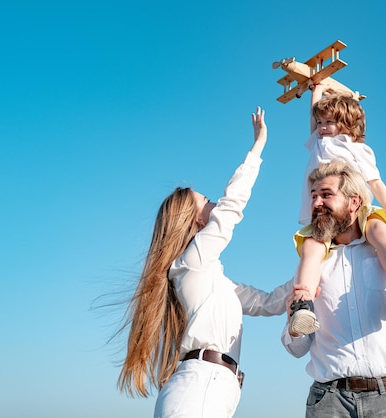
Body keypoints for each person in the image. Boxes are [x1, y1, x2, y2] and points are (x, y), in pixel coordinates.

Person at [117, 107, 291, 418]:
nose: (214, 204)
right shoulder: (189, 264)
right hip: (199, 388)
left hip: (213, 389)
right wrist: (257, 149)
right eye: (206, 201)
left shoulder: (213, 279)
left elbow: (268, 303)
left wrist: (315, 270)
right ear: (196, 220)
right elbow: (230, 210)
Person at [282, 160, 386, 418]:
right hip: (328, 403)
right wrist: (292, 324)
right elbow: (296, 349)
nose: (316, 203)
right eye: (314, 196)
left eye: (326, 195)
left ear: (355, 202)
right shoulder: (313, 264)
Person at [289, 86, 386, 337]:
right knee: (311, 249)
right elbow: (313, 120)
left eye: (330, 122)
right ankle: (303, 303)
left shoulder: (355, 149)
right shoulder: (317, 142)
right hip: (325, 216)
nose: (322, 127)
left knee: (379, 233)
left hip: (354, 208)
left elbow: (376, 183)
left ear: (346, 125)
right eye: (321, 122)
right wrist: (316, 89)